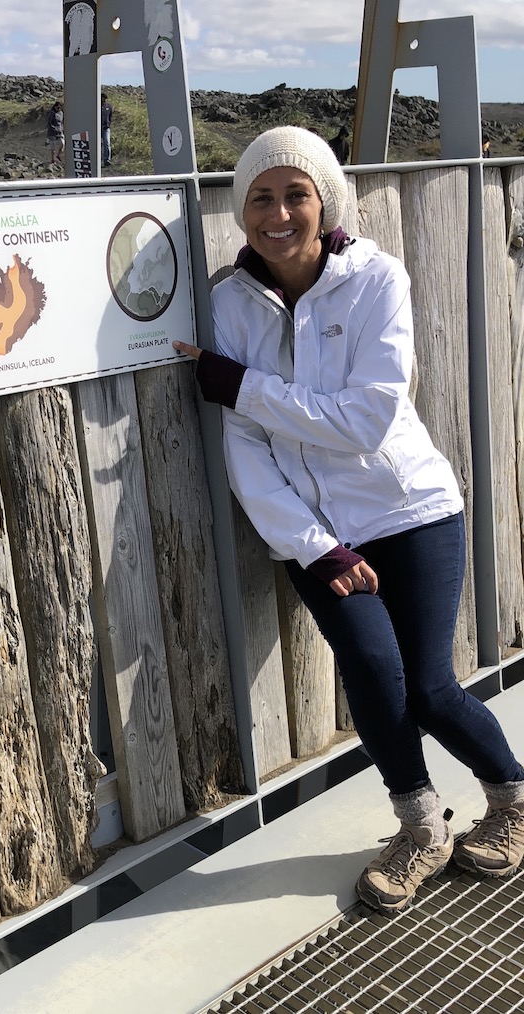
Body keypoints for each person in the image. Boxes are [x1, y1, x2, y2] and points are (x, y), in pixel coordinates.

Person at [174, 125, 524, 914]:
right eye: (259, 197)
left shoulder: (377, 280)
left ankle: (512, 802)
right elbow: (246, 453)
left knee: (430, 688)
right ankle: (424, 827)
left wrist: (244, 386)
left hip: (411, 509)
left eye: (295, 193)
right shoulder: (230, 305)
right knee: (372, 670)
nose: (277, 213)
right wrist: (316, 547)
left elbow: (367, 420)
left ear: (325, 199)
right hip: (316, 534)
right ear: (243, 210)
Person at [47, 100, 65, 165]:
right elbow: (49, 122)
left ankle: (58, 155)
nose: (58, 108)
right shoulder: (52, 113)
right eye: (57, 107)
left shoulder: (61, 113)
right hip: (52, 132)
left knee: (62, 144)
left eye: (59, 107)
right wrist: (53, 128)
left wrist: (62, 128)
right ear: (55, 107)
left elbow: (61, 122)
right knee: (53, 147)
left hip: (59, 131)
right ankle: (52, 159)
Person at [101, 92, 113, 167]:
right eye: (103, 98)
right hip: (98, 127)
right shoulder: (96, 106)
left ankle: (107, 159)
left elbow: (110, 116)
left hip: (106, 127)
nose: (104, 100)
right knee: (97, 144)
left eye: (105, 98)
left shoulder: (108, 106)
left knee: (107, 143)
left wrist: (108, 123)